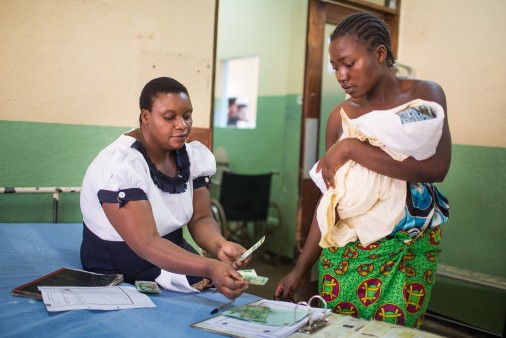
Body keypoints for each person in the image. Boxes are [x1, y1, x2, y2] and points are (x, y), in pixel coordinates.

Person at [274, 12, 451, 328]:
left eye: (348, 64)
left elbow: (436, 168)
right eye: (335, 68)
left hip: (406, 250)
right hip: (345, 255)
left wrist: (352, 148)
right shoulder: (338, 117)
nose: (341, 75)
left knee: (393, 333)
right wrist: (300, 269)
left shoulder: (423, 98)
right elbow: (330, 199)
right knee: (338, 331)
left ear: (379, 53)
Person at [80, 76, 249, 300]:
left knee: (215, 283)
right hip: (122, 260)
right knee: (206, 280)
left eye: (187, 115)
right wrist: (209, 266)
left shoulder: (192, 157)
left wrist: (219, 246)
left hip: (170, 248)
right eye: (170, 117)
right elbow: (146, 242)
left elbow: (201, 218)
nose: (182, 125)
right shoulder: (120, 164)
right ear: (146, 116)